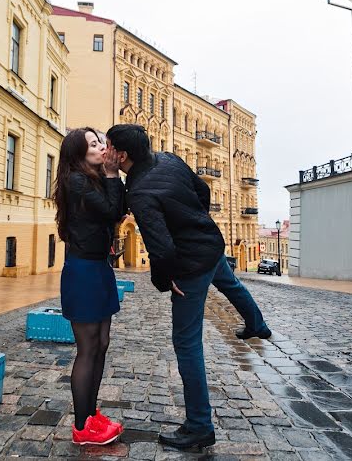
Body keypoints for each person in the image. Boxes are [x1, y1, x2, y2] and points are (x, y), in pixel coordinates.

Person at [105, 124, 271, 450]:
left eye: (109, 146)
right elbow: (203, 192)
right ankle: (258, 325)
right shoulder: (168, 158)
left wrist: (165, 281)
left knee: (186, 342)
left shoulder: (138, 191)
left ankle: (199, 426)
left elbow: (162, 250)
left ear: (122, 155)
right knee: (232, 286)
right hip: (210, 244)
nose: (106, 150)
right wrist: (194, 222)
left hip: (190, 265)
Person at [53, 127, 126, 446]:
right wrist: (112, 173)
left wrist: (110, 176)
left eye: (100, 142)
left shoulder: (91, 179)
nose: (100, 147)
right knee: (88, 347)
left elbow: (118, 210)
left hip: (98, 266)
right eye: (93, 144)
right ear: (78, 154)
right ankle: (82, 427)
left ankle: (91, 414)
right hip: (83, 270)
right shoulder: (78, 181)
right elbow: (112, 211)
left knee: (102, 343)